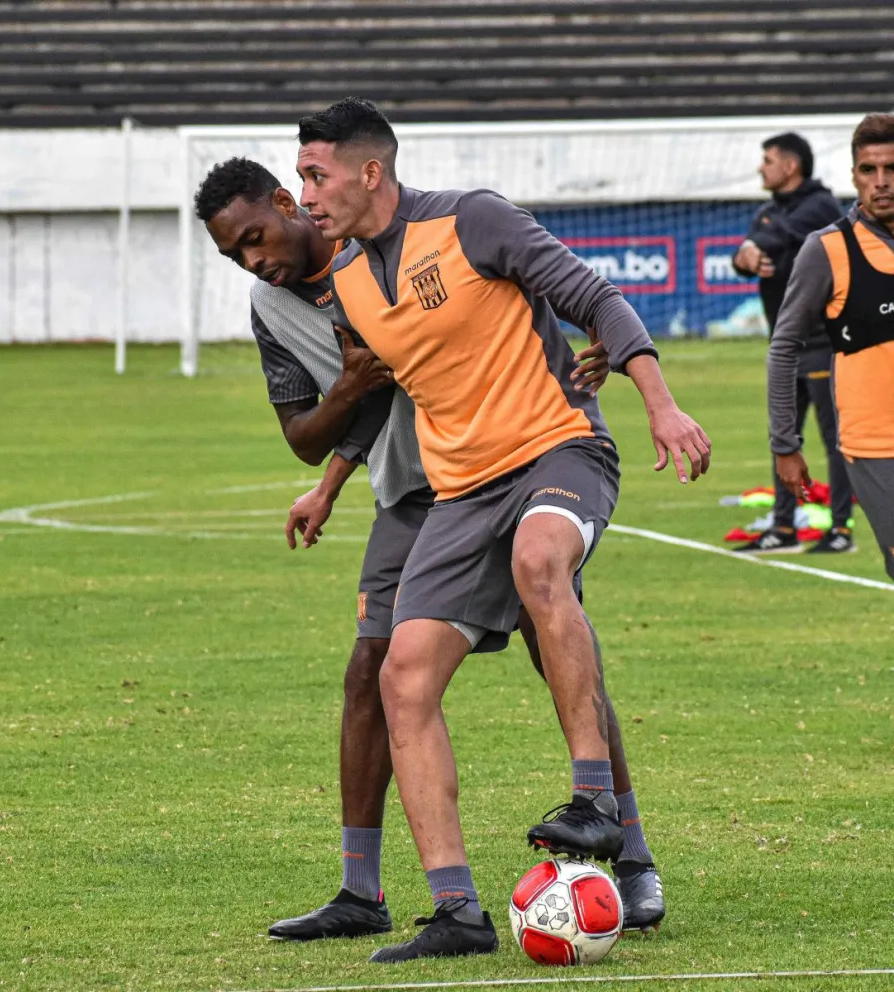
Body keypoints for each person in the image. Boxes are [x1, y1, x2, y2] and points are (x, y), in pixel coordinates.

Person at [192, 156, 667, 943]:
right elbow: (321, 426)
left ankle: (632, 855)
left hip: (503, 464)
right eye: (234, 254)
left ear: (290, 201)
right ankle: (365, 891)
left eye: (255, 238)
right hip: (412, 494)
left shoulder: (409, 247)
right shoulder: (278, 306)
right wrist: (335, 464)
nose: (253, 260)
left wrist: (609, 356)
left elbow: (490, 325)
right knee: (375, 673)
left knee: (556, 647)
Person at [290, 97, 709, 962]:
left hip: (560, 449)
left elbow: (595, 296)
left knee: (540, 562)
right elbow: (388, 393)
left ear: (371, 172)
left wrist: (658, 404)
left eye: (316, 175)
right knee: (402, 676)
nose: (307, 193)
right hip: (459, 493)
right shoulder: (347, 283)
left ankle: (594, 806)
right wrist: (331, 484)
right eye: (300, 176)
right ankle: (457, 912)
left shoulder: (471, 219)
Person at [769, 113, 894, 582]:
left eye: (892, 169)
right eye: (869, 170)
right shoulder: (827, 249)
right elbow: (784, 348)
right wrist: (785, 444)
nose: (881, 182)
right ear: (854, 176)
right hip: (876, 446)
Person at [732, 132, 854, 555]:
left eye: (767, 160)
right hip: (784, 346)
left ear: (791, 166)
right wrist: (743, 256)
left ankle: (841, 529)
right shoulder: (767, 211)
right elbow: (751, 252)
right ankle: (783, 527)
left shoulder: (820, 205)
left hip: (823, 341)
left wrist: (753, 246)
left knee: (835, 440)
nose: (761, 168)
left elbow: (779, 235)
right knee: (782, 436)